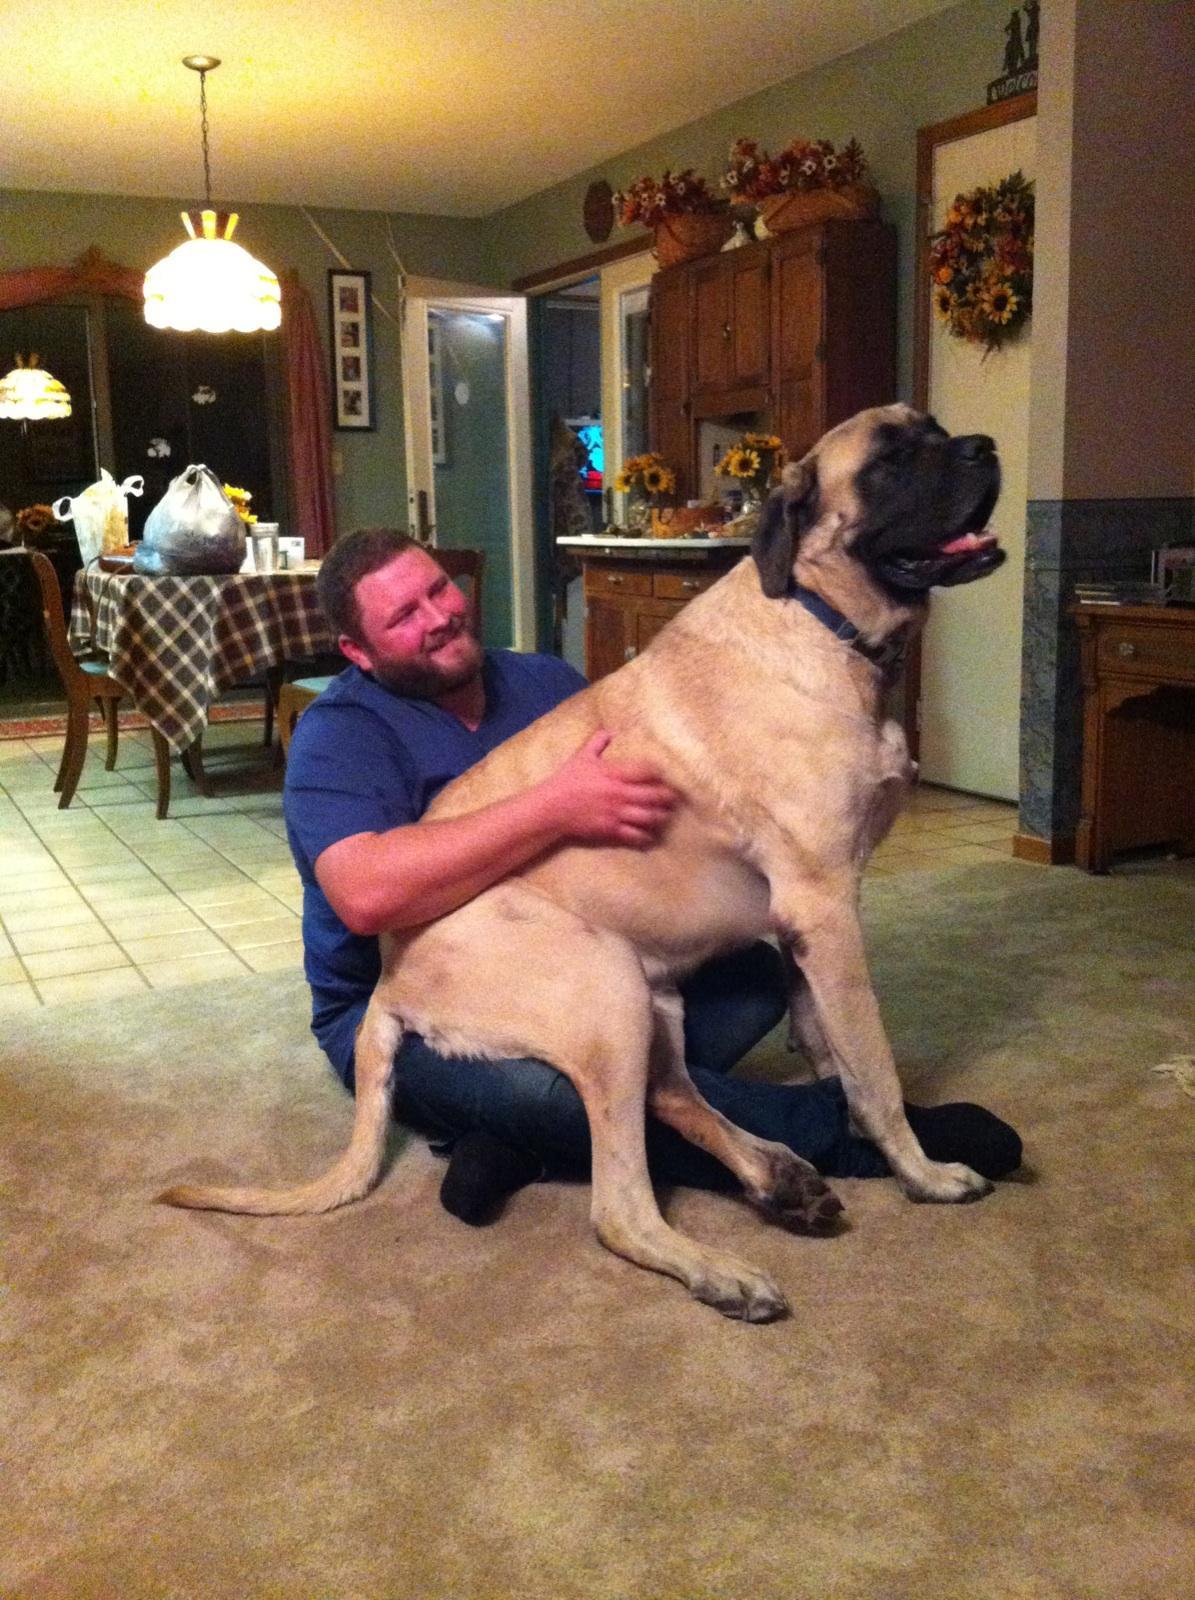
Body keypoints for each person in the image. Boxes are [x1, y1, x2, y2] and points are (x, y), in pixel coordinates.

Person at [283, 529, 1021, 1224]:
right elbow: (365, 897)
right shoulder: (338, 733)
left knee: (752, 983)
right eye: (403, 616)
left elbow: (653, 823)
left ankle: (516, 1145)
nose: (439, 617)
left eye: (438, 589)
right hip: (415, 1007)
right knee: (551, 1094)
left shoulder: (541, 680)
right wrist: (554, 807)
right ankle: (850, 1131)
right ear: (358, 651)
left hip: (571, 958)